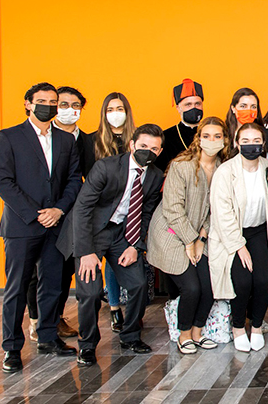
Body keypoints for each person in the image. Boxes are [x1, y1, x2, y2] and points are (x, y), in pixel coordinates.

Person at [0, 82, 82, 372]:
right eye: (41, 101)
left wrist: (58, 210)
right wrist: (35, 213)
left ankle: (47, 337)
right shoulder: (8, 137)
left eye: (53, 101)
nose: (48, 105)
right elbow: (2, 181)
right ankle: (12, 348)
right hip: (21, 226)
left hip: (56, 224)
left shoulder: (67, 141)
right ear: (28, 103)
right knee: (16, 288)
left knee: (53, 285)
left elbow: (73, 180)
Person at [64, 124, 166, 367]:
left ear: (160, 152)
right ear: (132, 145)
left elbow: (147, 213)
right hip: (92, 233)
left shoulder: (154, 176)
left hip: (124, 235)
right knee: (89, 292)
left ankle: (130, 336)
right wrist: (86, 251)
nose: (147, 152)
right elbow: (82, 209)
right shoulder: (106, 167)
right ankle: (87, 345)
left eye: (154, 149)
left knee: (139, 284)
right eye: (143, 146)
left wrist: (136, 246)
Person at [147, 117, 228, 354]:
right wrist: (189, 241)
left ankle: (197, 331)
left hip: (200, 235)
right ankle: (184, 335)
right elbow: (172, 208)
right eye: (206, 136)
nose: (211, 141)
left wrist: (201, 238)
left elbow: (218, 209)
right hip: (172, 233)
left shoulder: (224, 169)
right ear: (198, 139)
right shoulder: (181, 165)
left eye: (217, 136)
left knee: (211, 285)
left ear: (224, 140)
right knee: (191, 288)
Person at [24, 86, 88, 341]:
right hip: (38, 212)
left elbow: (81, 178)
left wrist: (62, 208)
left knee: (62, 270)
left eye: (76, 106)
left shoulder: (86, 140)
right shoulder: (39, 137)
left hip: (70, 212)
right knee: (35, 272)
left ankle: (55, 317)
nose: (68, 110)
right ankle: (36, 319)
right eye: (62, 104)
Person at [208, 122, 268, 352]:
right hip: (234, 235)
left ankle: (256, 326)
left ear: (263, 144)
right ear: (237, 144)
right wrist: (239, 246)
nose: (251, 145)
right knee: (242, 281)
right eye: (245, 141)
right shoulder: (225, 172)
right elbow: (222, 213)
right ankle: (238, 327)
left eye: (256, 141)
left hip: (260, 231)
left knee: (261, 280)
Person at [89, 91, 137, 333]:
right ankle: (114, 307)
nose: (115, 114)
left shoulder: (137, 140)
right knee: (105, 258)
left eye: (120, 109)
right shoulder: (92, 141)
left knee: (121, 260)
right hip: (101, 212)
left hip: (130, 210)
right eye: (110, 110)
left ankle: (127, 310)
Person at [155, 79, 205, 171]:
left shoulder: (211, 133)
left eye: (197, 104)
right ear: (178, 108)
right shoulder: (165, 136)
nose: (194, 108)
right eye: (188, 104)